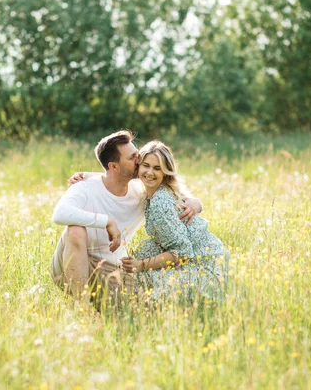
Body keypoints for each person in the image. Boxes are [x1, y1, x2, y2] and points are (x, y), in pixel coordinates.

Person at [50, 130, 202, 307]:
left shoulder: (141, 192)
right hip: (70, 264)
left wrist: (195, 203)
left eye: (137, 155)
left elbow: (175, 195)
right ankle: (82, 308)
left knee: (136, 312)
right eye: (132, 158)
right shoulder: (83, 187)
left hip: (110, 267)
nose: (139, 161)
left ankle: (97, 309)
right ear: (114, 166)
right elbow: (59, 214)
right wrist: (106, 221)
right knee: (75, 230)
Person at [120, 141, 229, 303]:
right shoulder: (154, 191)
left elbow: (182, 252)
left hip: (205, 267)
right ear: (138, 167)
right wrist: (87, 177)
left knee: (142, 290)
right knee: (143, 257)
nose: (150, 172)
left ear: (166, 172)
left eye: (157, 168)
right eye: (146, 166)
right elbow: (117, 175)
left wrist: (141, 264)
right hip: (201, 259)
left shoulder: (160, 202)